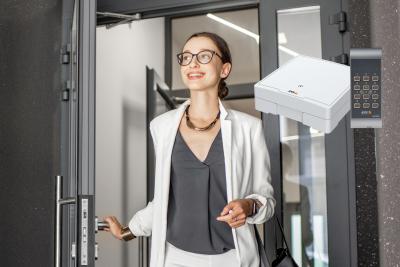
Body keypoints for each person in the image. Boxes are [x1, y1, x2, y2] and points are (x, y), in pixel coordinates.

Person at [103, 32, 275, 267]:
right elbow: (165, 199)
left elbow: (267, 200)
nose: (192, 63)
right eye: (186, 57)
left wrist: (250, 205)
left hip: (233, 258)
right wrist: (126, 231)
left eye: (204, 56)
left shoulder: (250, 128)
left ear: (224, 69)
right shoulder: (161, 127)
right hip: (175, 258)